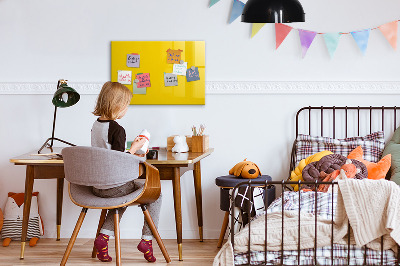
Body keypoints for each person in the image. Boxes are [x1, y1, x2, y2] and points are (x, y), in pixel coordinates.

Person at [91, 81, 161, 263]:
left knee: (122, 198)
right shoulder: (117, 129)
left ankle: (103, 238)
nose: (127, 109)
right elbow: (118, 161)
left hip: (97, 186)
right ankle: (147, 240)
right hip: (113, 186)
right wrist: (135, 149)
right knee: (156, 194)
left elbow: (108, 154)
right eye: (127, 104)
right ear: (117, 105)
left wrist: (130, 149)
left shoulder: (96, 125)